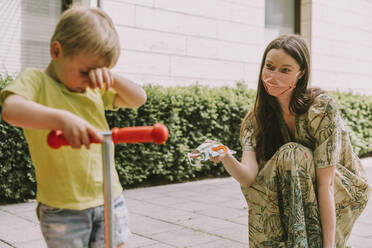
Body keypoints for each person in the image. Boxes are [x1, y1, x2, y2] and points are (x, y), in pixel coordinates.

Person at [191, 34, 370, 247]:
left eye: (285, 70)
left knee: (292, 153)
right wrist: (225, 155)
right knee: (287, 160)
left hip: (342, 186)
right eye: (269, 67)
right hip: (296, 185)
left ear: (301, 73)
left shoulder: (320, 109)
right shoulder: (256, 118)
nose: (274, 76)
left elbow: (326, 184)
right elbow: (249, 178)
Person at [0, 5, 147, 248]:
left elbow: (138, 98)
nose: (90, 80)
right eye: (85, 71)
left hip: (109, 197)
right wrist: (63, 119)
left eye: (98, 72)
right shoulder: (35, 81)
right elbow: (12, 110)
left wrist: (113, 78)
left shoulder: (92, 88)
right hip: (63, 207)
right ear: (56, 51)